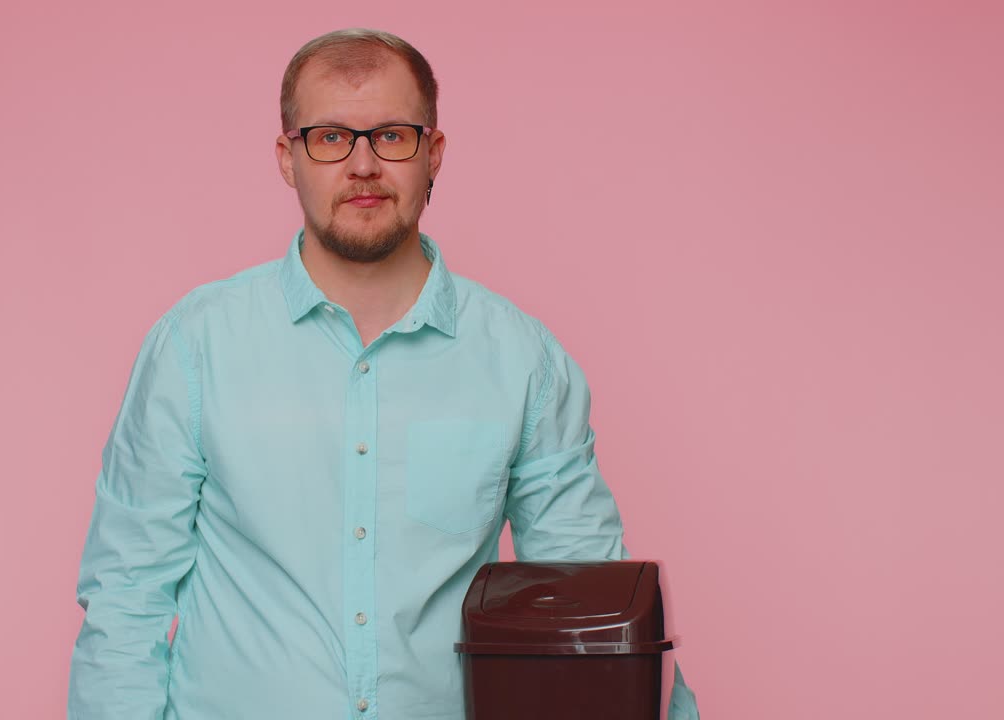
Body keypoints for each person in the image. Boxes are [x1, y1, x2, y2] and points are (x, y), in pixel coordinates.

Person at [67, 28, 700, 719]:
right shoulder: (194, 347)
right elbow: (126, 599)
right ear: (288, 157)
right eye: (330, 137)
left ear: (434, 153)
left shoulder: (522, 361)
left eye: (392, 136)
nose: (363, 165)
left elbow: (593, 611)